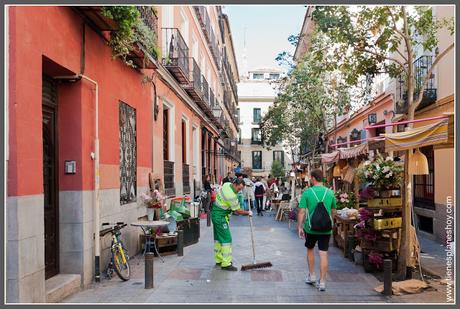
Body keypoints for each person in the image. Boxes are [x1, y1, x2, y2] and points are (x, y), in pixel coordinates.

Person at [297, 169, 337, 292]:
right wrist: (331, 222)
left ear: (313, 178)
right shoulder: (330, 193)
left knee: (310, 250)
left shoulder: (307, 193)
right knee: (323, 253)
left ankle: (312, 275)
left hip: (311, 228)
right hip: (325, 229)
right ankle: (323, 282)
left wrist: (300, 226)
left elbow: (302, 211)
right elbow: (334, 211)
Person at [212, 178, 253, 271]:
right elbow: (237, 211)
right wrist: (248, 213)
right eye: (238, 189)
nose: (239, 191)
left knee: (218, 238)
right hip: (220, 217)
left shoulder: (226, 184)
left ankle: (219, 259)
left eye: (241, 189)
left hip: (215, 214)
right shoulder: (231, 196)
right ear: (234, 184)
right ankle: (226, 263)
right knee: (226, 239)